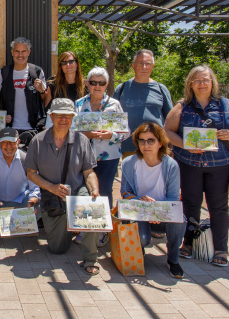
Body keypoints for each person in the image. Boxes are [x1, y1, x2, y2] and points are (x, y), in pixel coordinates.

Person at [164, 65, 229, 268]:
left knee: (218, 206)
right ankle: (189, 244)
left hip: (220, 165)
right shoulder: (182, 107)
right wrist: (185, 145)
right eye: (197, 80)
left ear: (213, 83)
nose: (202, 84)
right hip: (190, 164)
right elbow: (168, 130)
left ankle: (220, 248)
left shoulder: (226, 105)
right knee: (190, 204)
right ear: (190, 84)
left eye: (206, 80)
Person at [25, 98, 100, 275]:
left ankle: (90, 258)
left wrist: (94, 189)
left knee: (91, 209)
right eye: (59, 115)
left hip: (76, 190)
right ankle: (69, 227)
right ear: (51, 116)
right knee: (57, 248)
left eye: (68, 116)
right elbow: (31, 173)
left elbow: (89, 172)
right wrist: (50, 187)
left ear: (73, 118)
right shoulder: (38, 141)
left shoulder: (81, 140)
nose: (63, 119)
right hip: (52, 196)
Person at [120, 122, 186, 279]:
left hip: (163, 213)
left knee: (180, 221)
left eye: (151, 140)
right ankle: (138, 249)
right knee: (143, 238)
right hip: (139, 211)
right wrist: (141, 201)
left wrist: (157, 211)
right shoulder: (129, 163)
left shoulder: (171, 165)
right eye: (141, 141)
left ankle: (173, 259)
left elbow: (173, 199)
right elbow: (125, 192)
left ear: (160, 143)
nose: (146, 145)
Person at [74, 66, 128, 246]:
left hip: (108, 157)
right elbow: (71, 130)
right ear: (87, 84)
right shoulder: (79, 104)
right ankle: (85, 228)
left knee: (104, 192)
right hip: (83, 156)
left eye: (101, 83)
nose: (97, 86)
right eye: (93, 83)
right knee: (85, 191)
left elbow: (125, 132)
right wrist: (85, 134)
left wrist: (110, 135)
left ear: (106, 85)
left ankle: (103, 231)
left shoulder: (115, 105)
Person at [114, 49, 173, 158]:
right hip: (129, 148)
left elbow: (171, 120)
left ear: (153, 66)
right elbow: (113, 118)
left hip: (156, 148)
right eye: (140, 63)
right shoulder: (122, 89)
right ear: (133, 65)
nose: (144, 67)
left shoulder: (161, 89)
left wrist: (171, 145)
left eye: (147, 64)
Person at [0, 128, 40, 227]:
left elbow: (34, 187)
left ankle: (17, 225)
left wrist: (32, 201)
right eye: (4, 142)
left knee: (39, 205)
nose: (9, 146)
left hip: (20, 201)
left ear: (18, 142)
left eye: (12, 142)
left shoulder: (26, 158)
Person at [0, 37, 47, 132]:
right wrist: (0, 117)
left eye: (23, 51)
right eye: (17, 51)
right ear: (12, 52)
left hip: (33, 127)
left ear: (28, 52)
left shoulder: (37, 72)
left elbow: (45, 99)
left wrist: (41, 91)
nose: (20, 55)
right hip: (9, 128)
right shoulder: (4, 73)